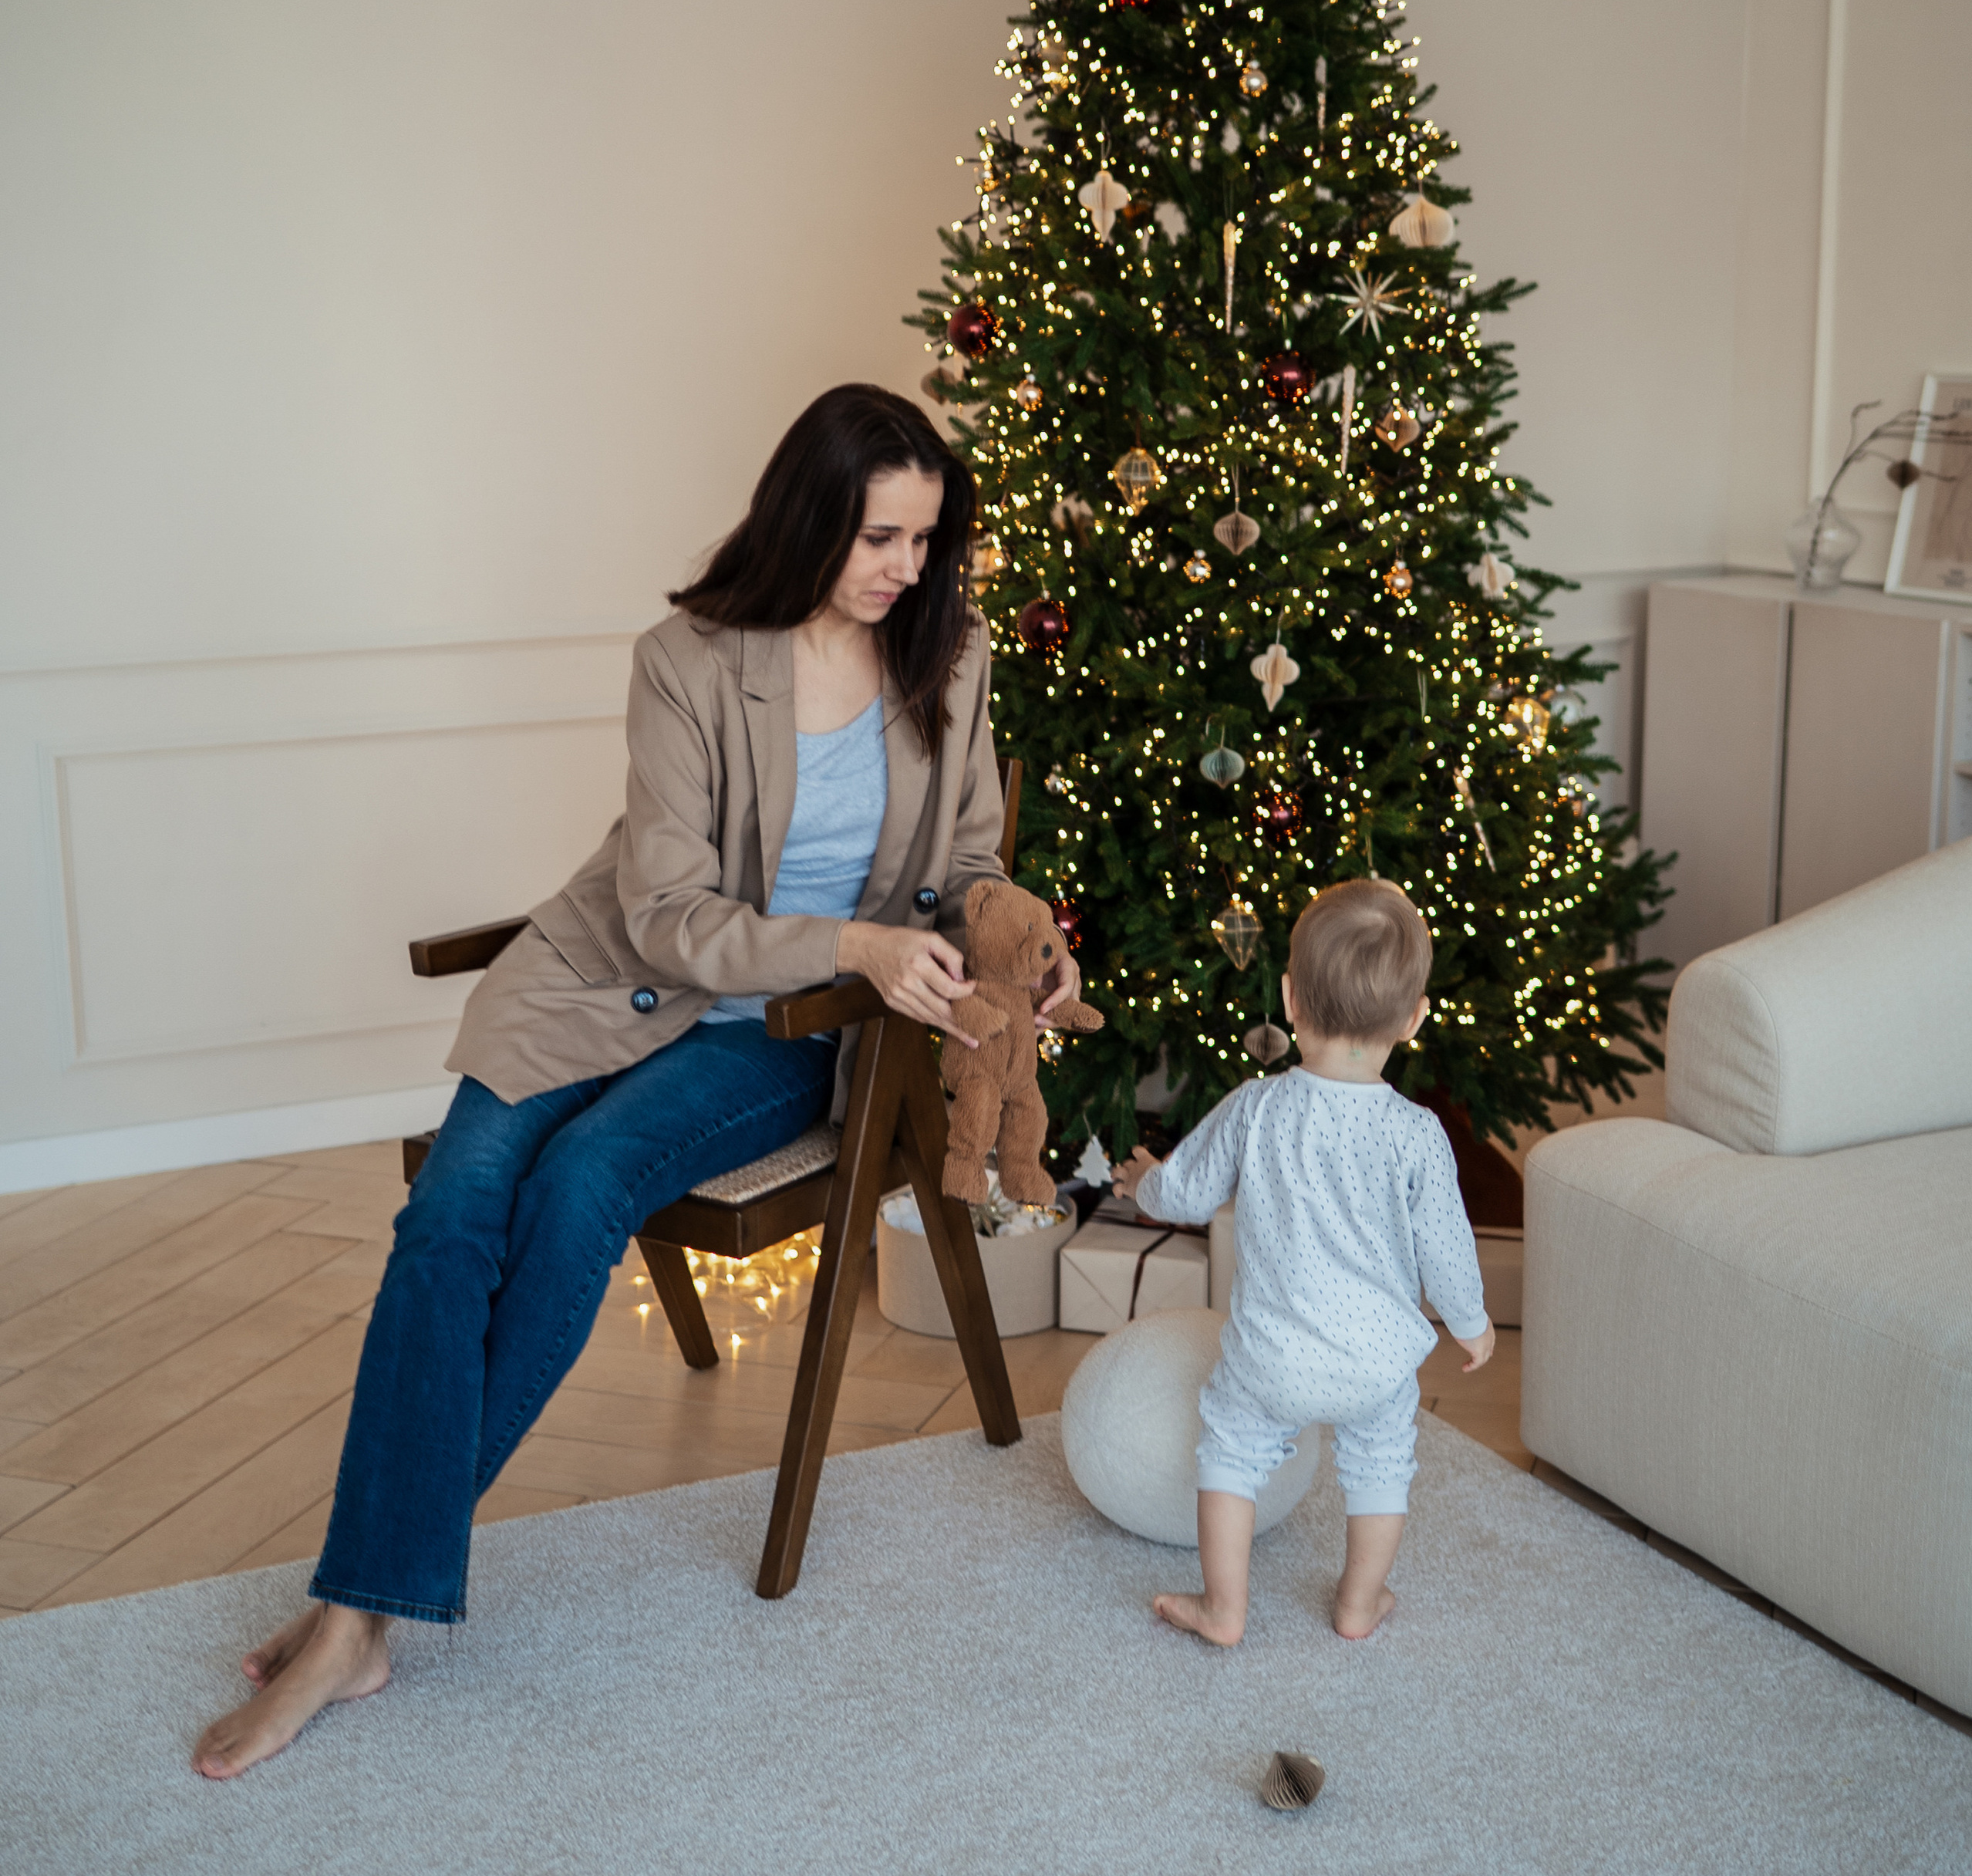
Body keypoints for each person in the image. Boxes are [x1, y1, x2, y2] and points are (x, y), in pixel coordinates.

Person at [194, 384, 1083, 1777]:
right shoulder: (688, 658)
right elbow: (666, 910)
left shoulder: (948, 656)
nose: (905, 567)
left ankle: (351, 1612)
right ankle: (362, 1606)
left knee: (584, 1185)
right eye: (877, 537)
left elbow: (966, 871)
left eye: (925, 536)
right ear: (807, 519)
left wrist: (1023, 947)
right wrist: (852, 928)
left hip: (780, 1030)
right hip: (600, 985)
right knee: (450, 1217)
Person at [1111, 877, 1492, 1649]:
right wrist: (1472, 1323)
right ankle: (1358, 1601)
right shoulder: (1416, 1133)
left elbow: (1182, 1192)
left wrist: (1141, 1178)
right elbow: (1447, 1246)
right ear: (1414, 1018)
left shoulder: (1257, 1106)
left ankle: (1223, 1608)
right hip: (1377, 1359)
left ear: (1289, 998)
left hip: (1271, 1356)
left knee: (1230, 1448)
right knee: (1382, 1460)